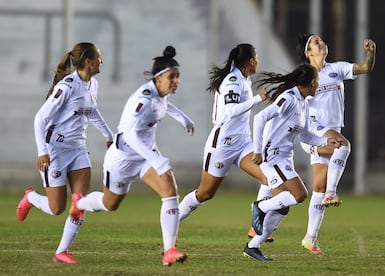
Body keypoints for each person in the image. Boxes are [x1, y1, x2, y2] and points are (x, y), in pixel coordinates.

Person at [69, 46, 194, 267]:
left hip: (145, 156)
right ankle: (80, 204)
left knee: (169, 190)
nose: (176, 81)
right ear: (158, 78)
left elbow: (164, 105)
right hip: (122, 158)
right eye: (172, 77)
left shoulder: (159, 94)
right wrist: (156, 160)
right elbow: (129, 135)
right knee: (110, 204)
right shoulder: (144, 98)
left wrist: (183, 119)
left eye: (178, 76)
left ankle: (169, 250)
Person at [16, 42, 114, 264]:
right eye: (99, 57)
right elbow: (40, 118)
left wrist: (110, 136)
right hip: (56, 151)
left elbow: (92, 112)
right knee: (57, 208)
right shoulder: (68, 85)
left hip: (78, 149)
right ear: (89, 61)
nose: (102, 61)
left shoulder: (94, 84)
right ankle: (30, 197)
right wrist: (42, 152)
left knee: (80, 201)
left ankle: (62, 251)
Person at [243, 64, 342, 261]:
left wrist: (326, 141)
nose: (318, 85)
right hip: (273, 157)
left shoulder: (303, 103)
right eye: (318, 82)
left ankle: (253, 246)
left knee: (282, 207)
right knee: (299, 194)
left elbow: (304, 135)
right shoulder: (288, 98)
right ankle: (261, 207)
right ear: (313, 83)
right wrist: (258, 149)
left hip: (284, 158)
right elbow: (261, 117)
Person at [296, 34, 376, 254]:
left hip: (330, 131)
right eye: (315, 42)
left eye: (322, 40)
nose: (321, 43)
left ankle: (310, 238)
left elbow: (365, 68)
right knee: (343, 145)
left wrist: (371, 53)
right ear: (308, 52)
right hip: (314, 132)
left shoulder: (336, 69)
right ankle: (333, 192)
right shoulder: (304, 76)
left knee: (317, 190)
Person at [178, 44, 272, 232]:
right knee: (204, 194)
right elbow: (230, 110)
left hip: (243, 143)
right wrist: (257, 99)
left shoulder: (244, 79)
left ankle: (256, 223)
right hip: (223, 144)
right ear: (251, 61)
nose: (258, 61)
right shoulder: (233, 80)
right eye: (257, 58)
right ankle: (172, 221)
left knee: (270, 177)